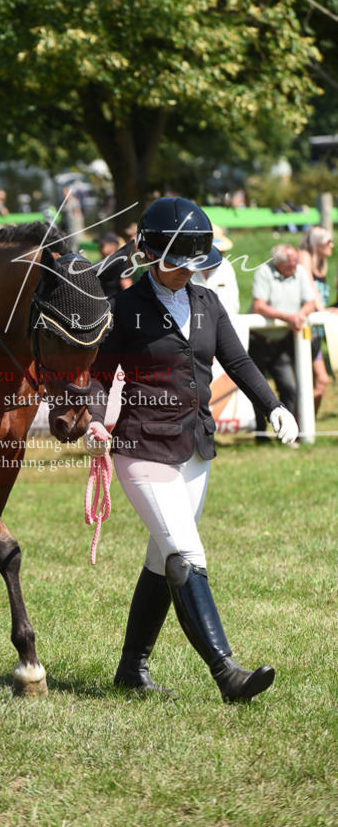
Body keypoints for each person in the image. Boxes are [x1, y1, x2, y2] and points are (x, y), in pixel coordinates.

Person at [85, 196, 298, 702]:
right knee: (185, 553)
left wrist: (274, 406)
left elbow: (239, 362)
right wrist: (94, 418)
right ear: (151, 257)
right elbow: (97, 376)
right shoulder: (124, 309)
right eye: (179, 264)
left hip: (196, 446)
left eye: (195, 264)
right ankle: (227, 673)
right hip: (142, 446)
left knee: (162, 558)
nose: (188, 273)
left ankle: (131, 669)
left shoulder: (207, 302)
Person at [248, 244, 316, 439]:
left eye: (296, 260)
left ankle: (286, 432)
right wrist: (289, 318)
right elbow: (259, 306)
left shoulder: (299, 271)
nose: (295, 264)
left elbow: (310, 302)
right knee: (254, 389)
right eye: (290, 261)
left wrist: (300, 315)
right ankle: (260, 434)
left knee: (289, 387)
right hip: (257, 341)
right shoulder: (264, 272)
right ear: (278, 263)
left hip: (280, 343)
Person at [298, 226, 334, 414]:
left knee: (321, 380)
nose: (332, 245)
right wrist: (323, 311)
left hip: (316, 331)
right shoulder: (304, 256)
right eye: (328, 242)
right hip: (303, 330)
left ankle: (304, 425)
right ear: (316, 244)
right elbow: (310, 287)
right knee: (303, 384)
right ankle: (297, 424)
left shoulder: (322, 264)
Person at [190, 225, 240, 315]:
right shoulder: (186, 268)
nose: (220, 256)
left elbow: (233, 306)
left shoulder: (226, 266)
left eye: (221, 252)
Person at [93, 231, 133, 303]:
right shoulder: (99, 264)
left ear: (113, 245)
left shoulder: (121, 265)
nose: (100, 246)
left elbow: (127, 289)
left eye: (102, 244)